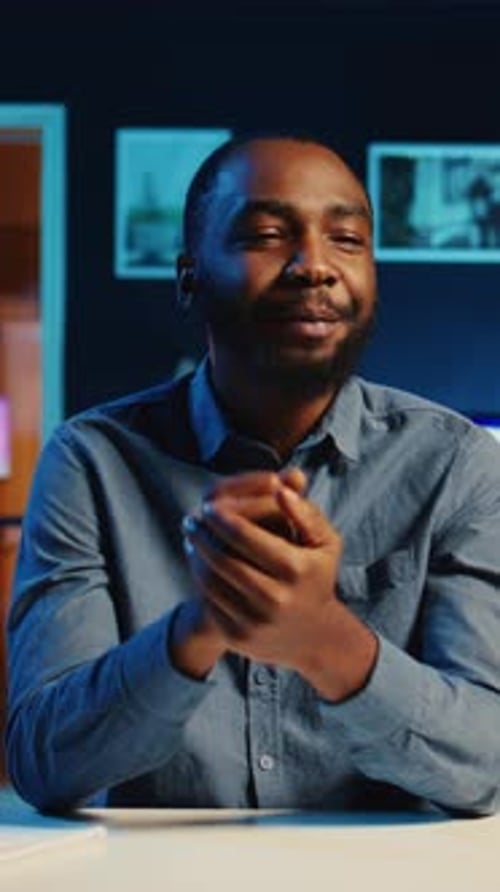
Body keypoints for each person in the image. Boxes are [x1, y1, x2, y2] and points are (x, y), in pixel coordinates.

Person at [6, 135, 500, 816]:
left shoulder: (457, 463)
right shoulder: (92, 461)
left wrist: (324, 638)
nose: (315, 266)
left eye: (347, 239)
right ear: (189, 277)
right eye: (268, 234)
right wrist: (202, 625)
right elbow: (45, 764)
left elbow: (487, 765)